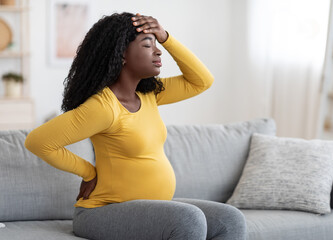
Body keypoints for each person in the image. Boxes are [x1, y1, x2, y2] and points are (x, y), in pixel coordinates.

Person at [24, 12, 247, 240]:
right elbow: (38, 141)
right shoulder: (103, 106)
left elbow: (202, 81)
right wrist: (88, 172)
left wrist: (166, 37)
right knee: (188, 219)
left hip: (153, 207)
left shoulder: (150, 95)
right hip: (102, 212)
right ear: (122, 55)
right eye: (148, 45)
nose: (158, 50)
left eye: (157, 44)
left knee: (229, 219)